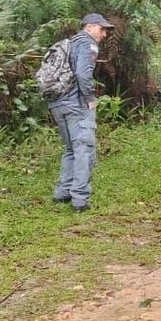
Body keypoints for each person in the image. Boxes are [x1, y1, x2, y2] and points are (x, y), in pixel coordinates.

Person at [49, 13, 114, 213]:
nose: (104, 34)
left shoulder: (68, 43)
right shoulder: (88, 44)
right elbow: (82, 74)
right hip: (76, 104)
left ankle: (63, 192)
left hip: (57, 103)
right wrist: (90, 99)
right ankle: (80, 199)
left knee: (71, 148)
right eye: (102, 29)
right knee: (84, 149)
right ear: (90, 27)